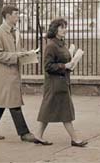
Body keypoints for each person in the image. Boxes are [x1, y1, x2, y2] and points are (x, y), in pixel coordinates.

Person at [0, 5, 36, 142]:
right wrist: (15, 56)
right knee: (14, 103)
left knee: (1, 103)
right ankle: (24, 133)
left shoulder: (14, 31)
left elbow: (14, 50)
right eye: (15, 14)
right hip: (4, 75)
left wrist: (26, 54)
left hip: (12, 73)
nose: (17, 17)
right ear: (7, 16)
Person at [34, 18, 87, 147]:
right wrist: (65, 66)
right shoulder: (51, 45)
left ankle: (38, 135)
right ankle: (75, 139)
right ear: (55, 29)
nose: (65, 30)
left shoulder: (61, 44)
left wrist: (71, 62)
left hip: (61, 82)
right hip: (55, 83)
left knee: (48, 110)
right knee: (65, 112)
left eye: (65, 27)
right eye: (62, 27)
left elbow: (63, 61)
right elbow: (47, 66)